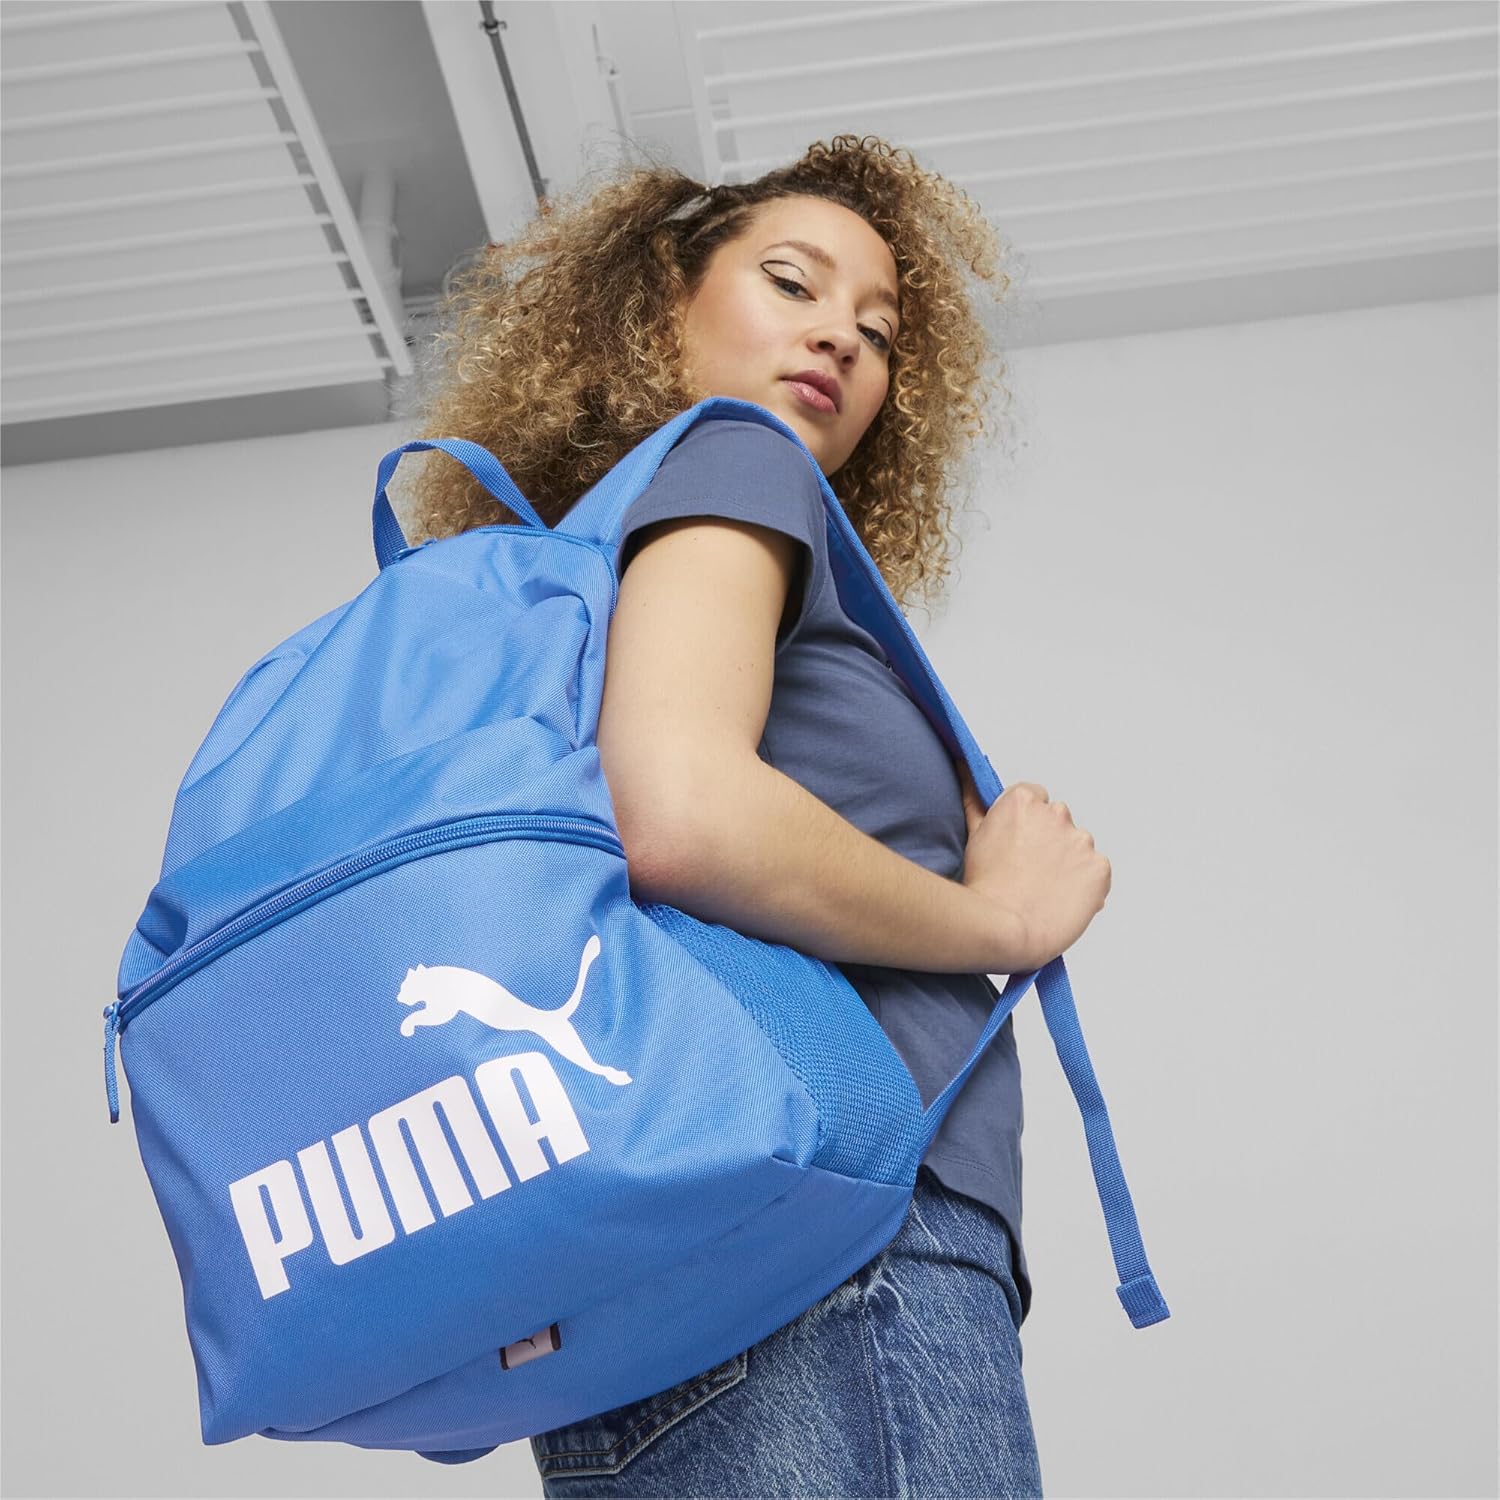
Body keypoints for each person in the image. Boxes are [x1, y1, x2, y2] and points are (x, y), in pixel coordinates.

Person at [400, 133, 1111, 1499]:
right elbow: (680, 812)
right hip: (839, 1227)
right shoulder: (739, 463)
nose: (841, 337)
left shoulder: (604, 557)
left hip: (673, 1259)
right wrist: (1000, 921)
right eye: (793, 283)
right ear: (662, 305)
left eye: (879, 332)